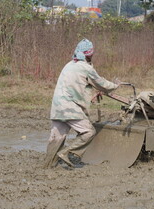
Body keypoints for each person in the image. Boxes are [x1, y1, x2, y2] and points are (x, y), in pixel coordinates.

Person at [45, 39, 119, 168]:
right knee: (88, 132)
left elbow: (79, 86)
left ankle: (48, 166)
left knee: (57, 138)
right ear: (89, 54)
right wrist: (115, 85)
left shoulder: (69, 65)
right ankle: (67, 153)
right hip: (70, 107)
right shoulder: (86, 68)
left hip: (57, 106)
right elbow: (102, 84)